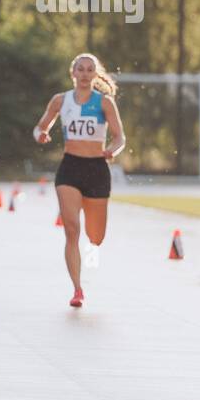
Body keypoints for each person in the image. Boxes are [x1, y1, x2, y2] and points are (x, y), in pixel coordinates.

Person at [32, 53, 126, 308]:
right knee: (72, 229)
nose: (84, 74)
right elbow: (40, 127)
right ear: (72, 72)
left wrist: (111, 151)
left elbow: (120, 138)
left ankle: (93, 243)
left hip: (97, 169)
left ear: (95, 75)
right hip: (70, 168)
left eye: (89, 70)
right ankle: (77, 289)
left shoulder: (105, 103)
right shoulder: (60, 101)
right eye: (80, 69)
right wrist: (41, 134)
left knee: (95, 237)